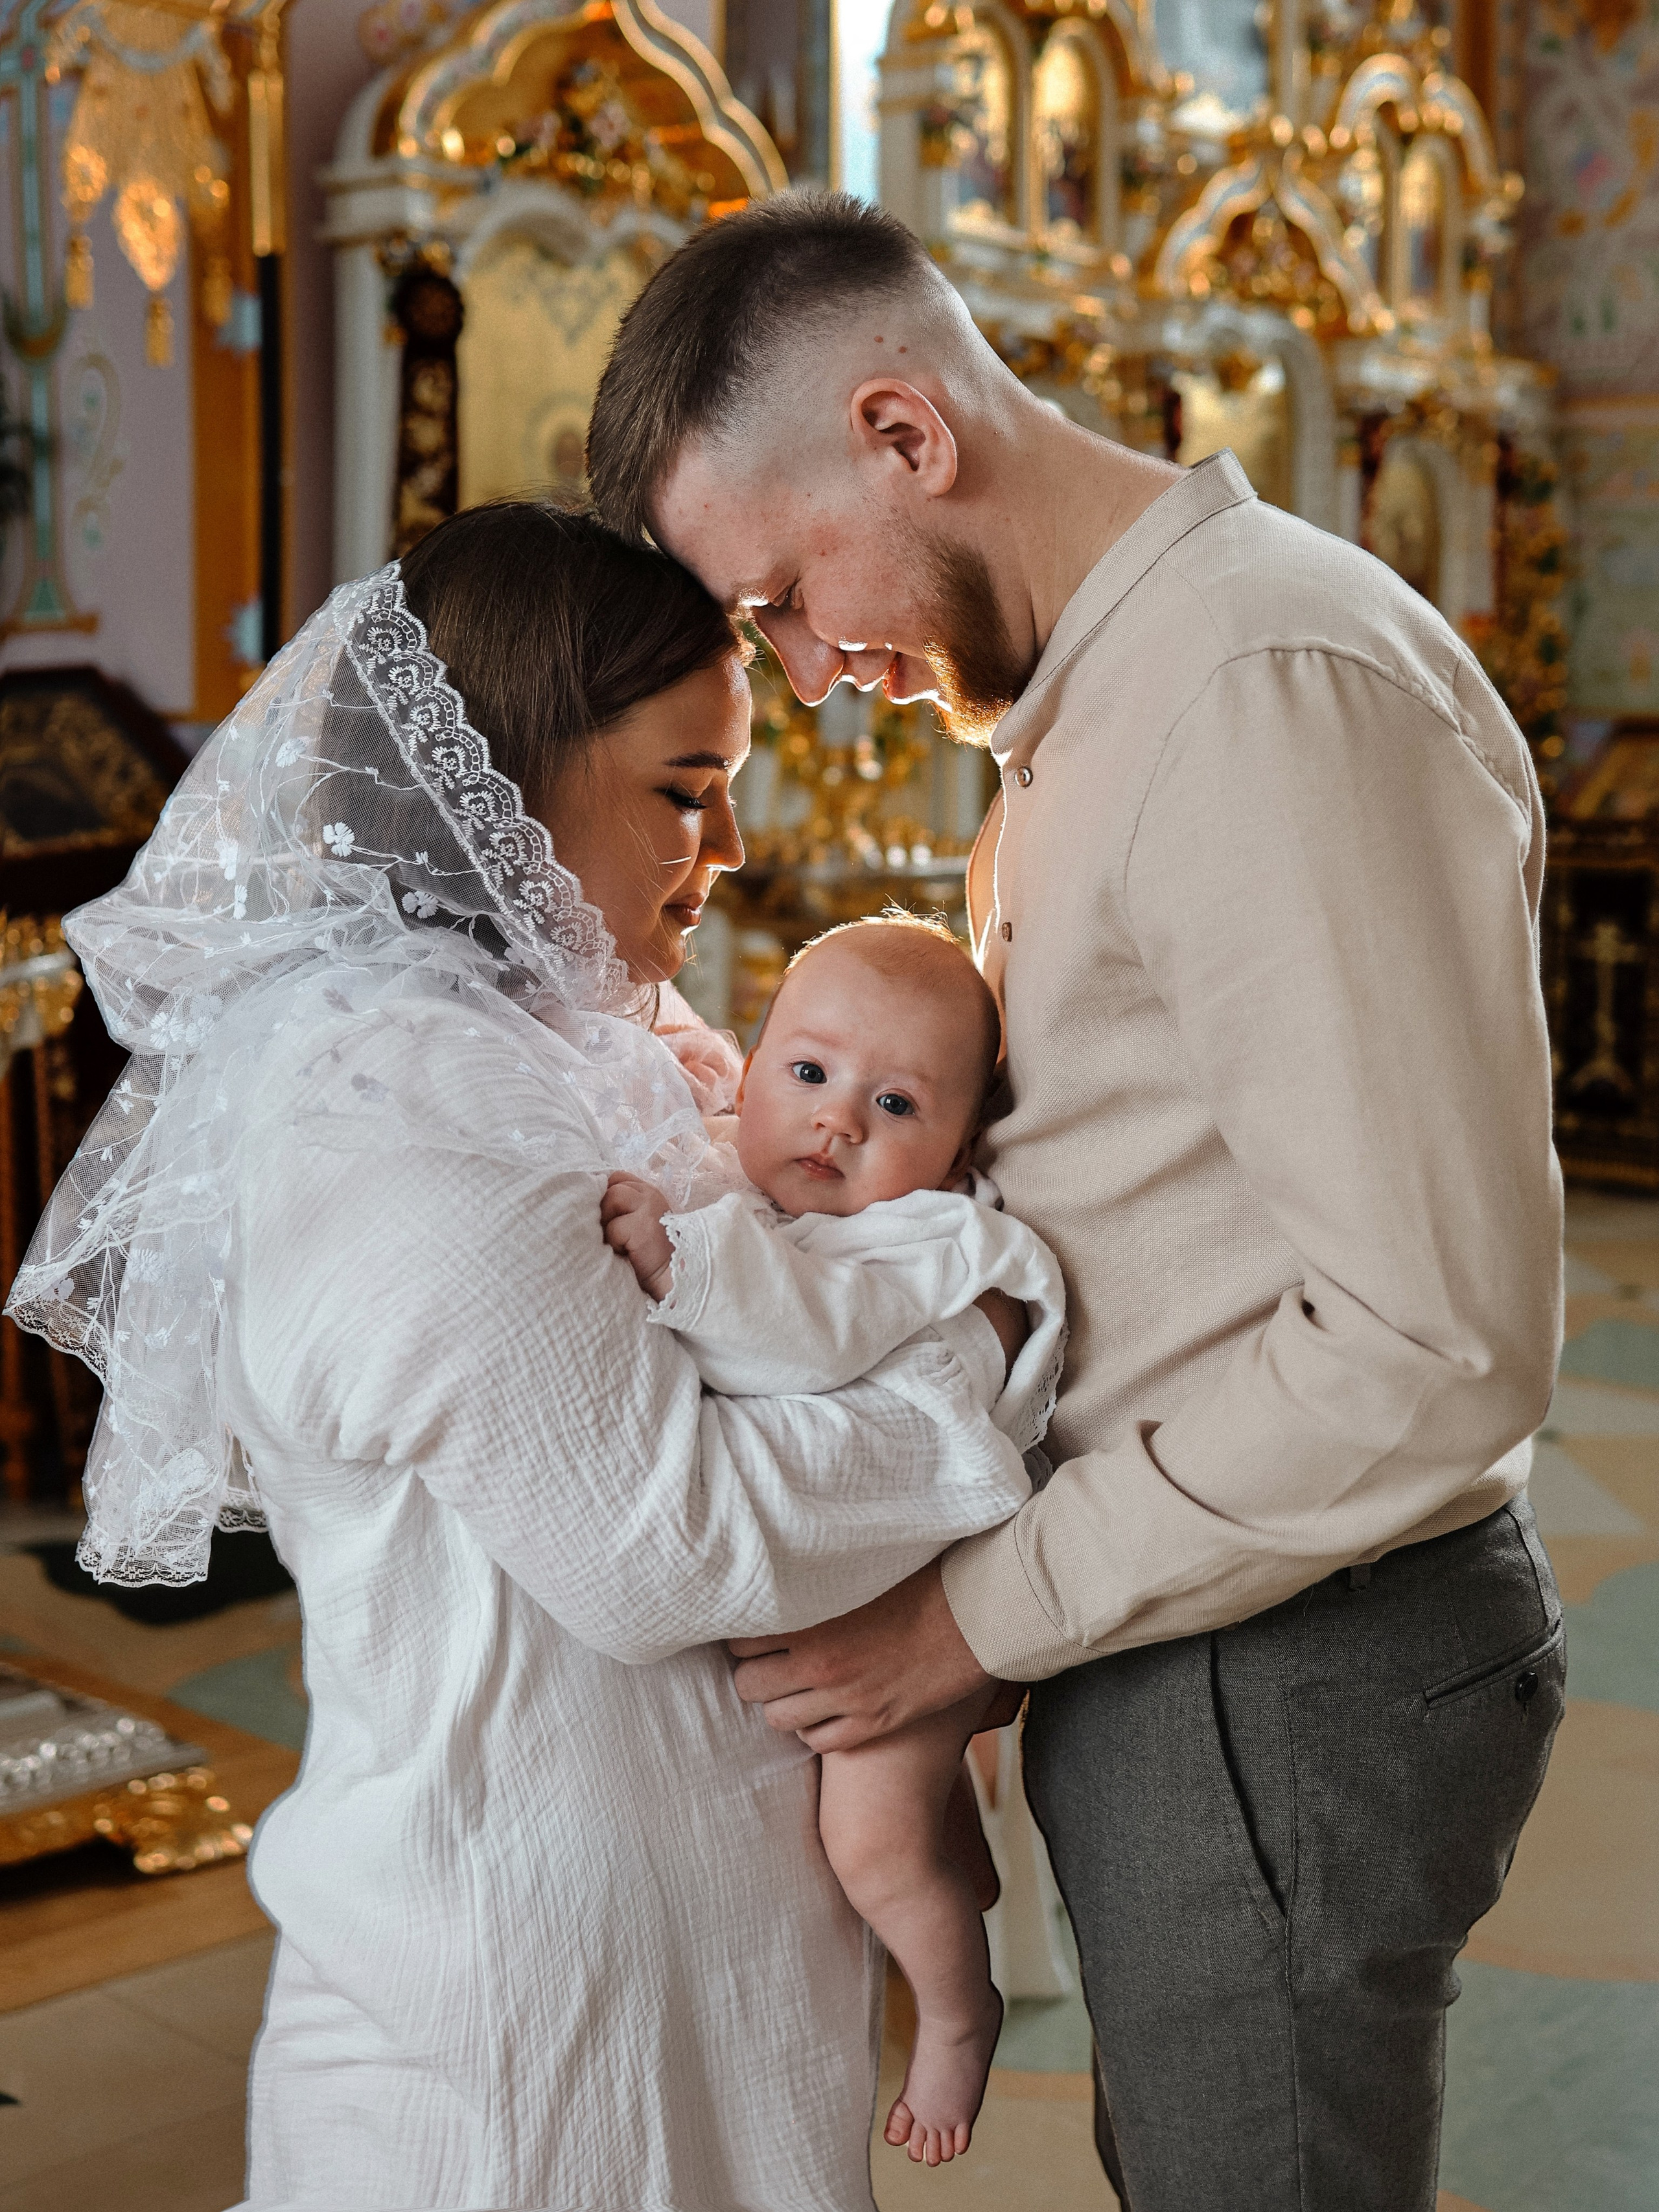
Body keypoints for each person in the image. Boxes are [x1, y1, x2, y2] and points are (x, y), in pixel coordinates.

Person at [585, 191, 1568, 2212]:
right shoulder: (1098, 704)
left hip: (1295, 1653)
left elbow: (1433, 1341)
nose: (810, 667)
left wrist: (975, 1614)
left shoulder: (1254, 686)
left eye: (783, 594)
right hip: (1206, 1620)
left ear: (906, 433)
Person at [5, 501, 1037, 2212]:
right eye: (682, 791)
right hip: (522, 1999)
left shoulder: (590, 1027)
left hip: (680, 1943)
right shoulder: (400, 1104)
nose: (722, 852)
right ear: (501, 772)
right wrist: (975, 1376)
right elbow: (667, 1545)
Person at [604, 913, 1067, 2166]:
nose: (839, 1123)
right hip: (828, 1589)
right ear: (750, 1065)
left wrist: (677, 1269)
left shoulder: (925, 1246)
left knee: (869, 1843)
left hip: (904, 1599)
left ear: (962, 1146)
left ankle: (960, 2018)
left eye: (897, 1103)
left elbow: (803, 1337)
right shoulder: (746, 1174)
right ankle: (949, 1848)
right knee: (909, 1822)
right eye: (807, 1073)